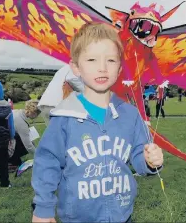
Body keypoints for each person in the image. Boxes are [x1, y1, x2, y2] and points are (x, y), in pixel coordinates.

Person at [31, 22, 164, 223]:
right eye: (92, 59)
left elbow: (138, 155)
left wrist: (149, 161)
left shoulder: (130, 114)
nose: (102, 68)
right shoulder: (64, 117)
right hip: (77, 218)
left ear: (120, 68)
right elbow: (47, 163)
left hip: (122, 216)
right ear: (76, 67)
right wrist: (43, 207)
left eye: (110, 60)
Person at [8, 100, 41, 168]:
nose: (37, 117)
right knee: (25, 147)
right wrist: (39, 155)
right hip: (3, 144)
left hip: (0, 140)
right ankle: (10, 160)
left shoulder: (18, 111)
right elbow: (28, 146)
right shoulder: (21, 123)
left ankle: (12, 159)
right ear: (33, 113)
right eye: (37, 114)